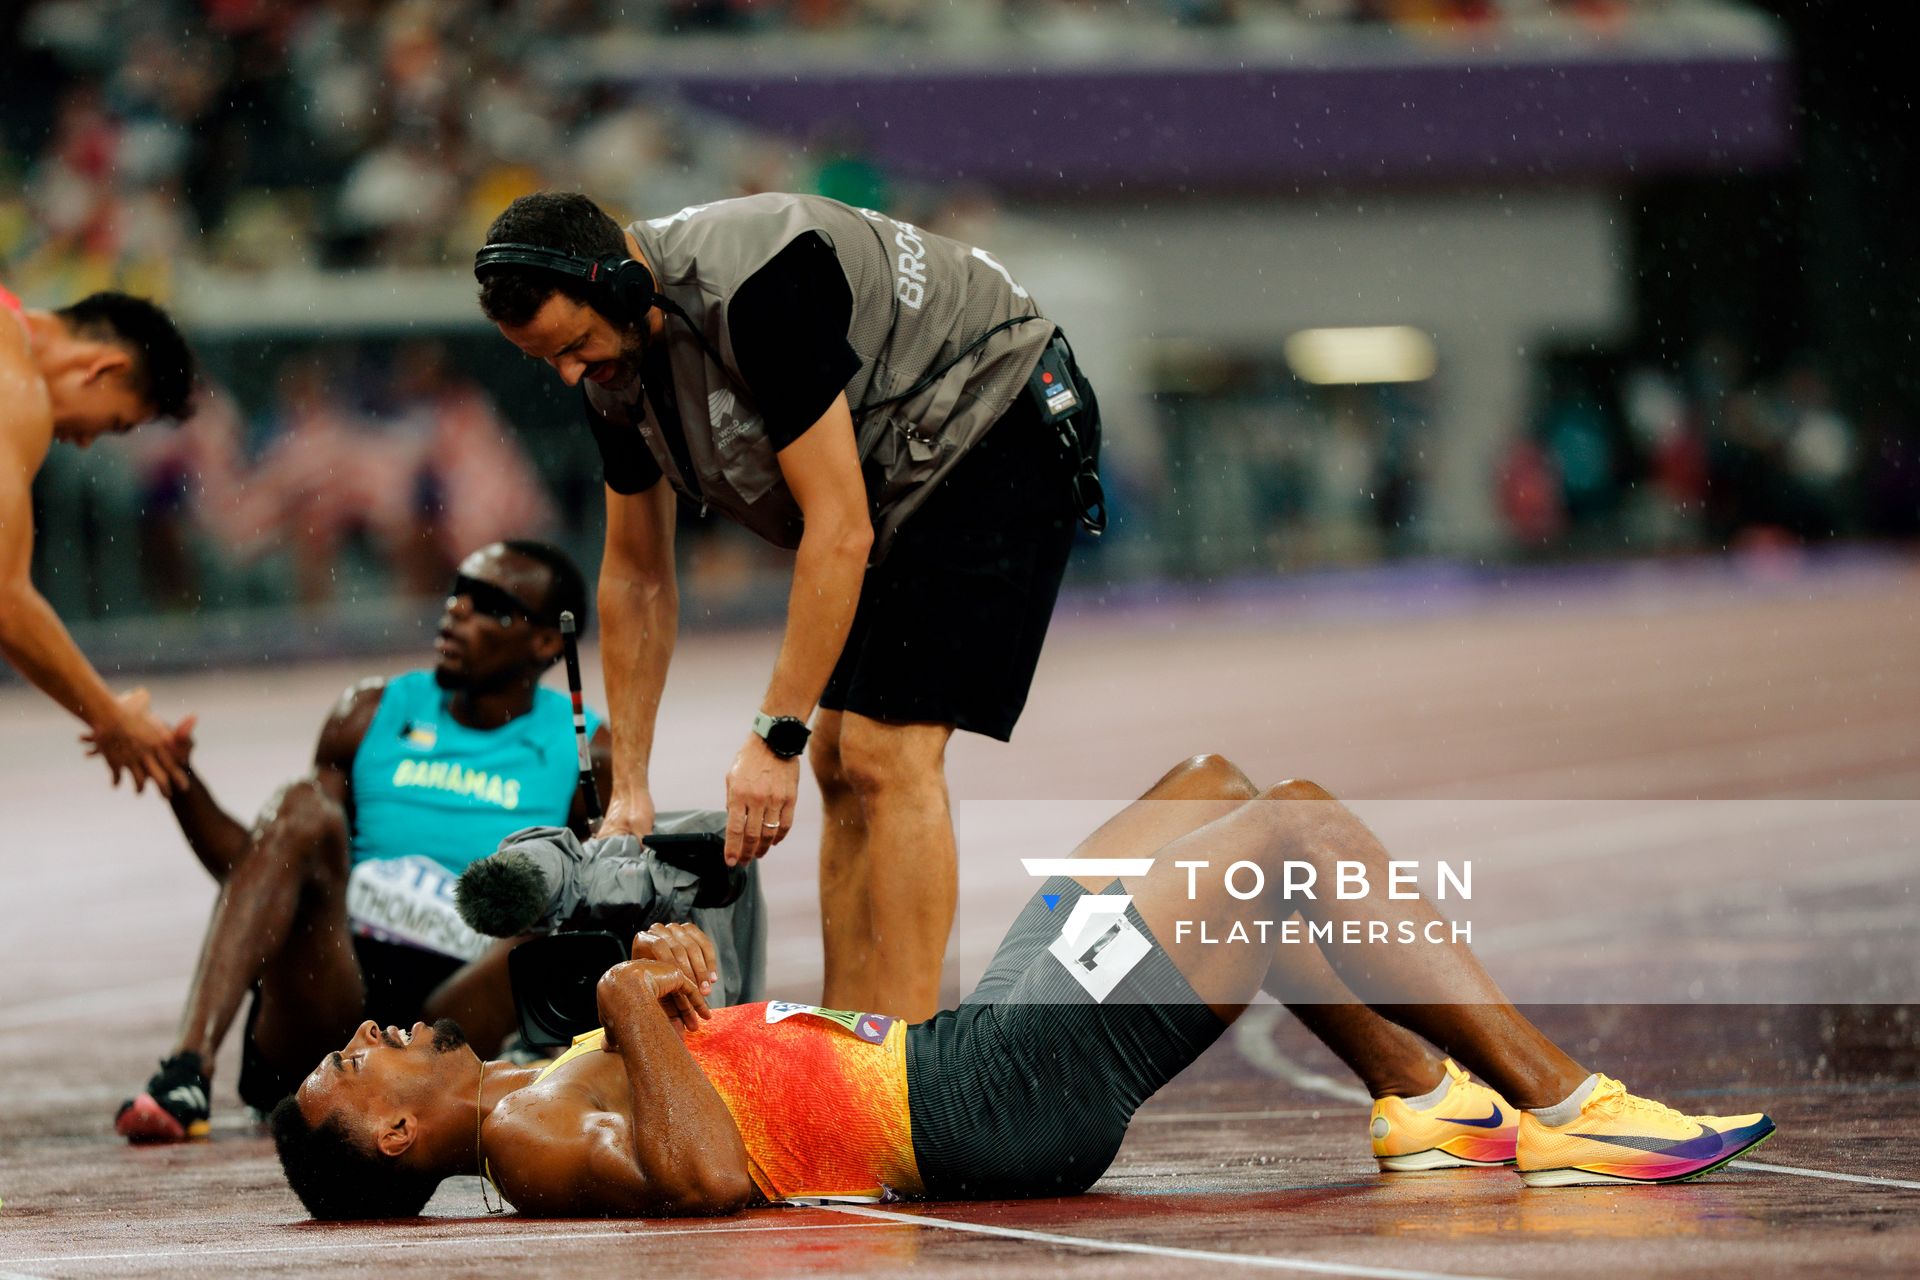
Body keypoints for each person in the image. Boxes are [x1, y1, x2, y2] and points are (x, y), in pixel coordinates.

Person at [270, 755, 1776, 1218]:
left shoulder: (532, 1090)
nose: (363, 1038)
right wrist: (628, 1008)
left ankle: (1414, 1098)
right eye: (350, 1072)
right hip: (991, 1100)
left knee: (1224, 795)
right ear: (398, 1141)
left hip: (974, 1054)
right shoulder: (525, 1149)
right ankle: (1566, 1106)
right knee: (1292, 838)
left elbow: (708, 1089)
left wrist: (673, 983)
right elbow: (713, 1183)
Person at [475, 191, 1104, 1020]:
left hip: (998, 420)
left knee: (886, 751)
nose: (567, 374)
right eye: (544, 359)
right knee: (835, 758)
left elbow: (839, 531)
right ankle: (847, 1038)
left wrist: (773, 732)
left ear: (626, 288)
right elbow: (635, 575)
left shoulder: (760, 290)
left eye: (574, 345)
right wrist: (630, 784)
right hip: (898, 468)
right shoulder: (613, 369)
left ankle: (910, 1065)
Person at [115, 541, 616, 1143]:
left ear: (545, 643)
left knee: (558, 906)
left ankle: (517, 1086)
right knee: (301, 807)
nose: (456, 610)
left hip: (453, 1016)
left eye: (491, 606)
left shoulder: (585, 749)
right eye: (458, 591)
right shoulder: (371, 711)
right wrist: (179, 781)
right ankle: (185, 1071)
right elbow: (265, 869)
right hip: (333, 987)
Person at [0, 283, 197, 794]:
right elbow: (5, 599)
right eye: (112, 423)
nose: (85, 443)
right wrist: (111, 716)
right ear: (102, 369)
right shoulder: (16, 385)